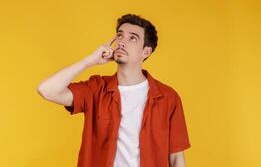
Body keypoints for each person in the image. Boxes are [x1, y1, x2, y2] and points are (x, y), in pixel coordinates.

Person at [37, 14, 191, 167]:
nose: (122, 42)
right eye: (119, 36)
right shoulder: (96, 88)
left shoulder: (168, 98)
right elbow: (46, 90)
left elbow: (177, 158)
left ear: (146, 52)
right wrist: (89, 61)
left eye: (132, 38)